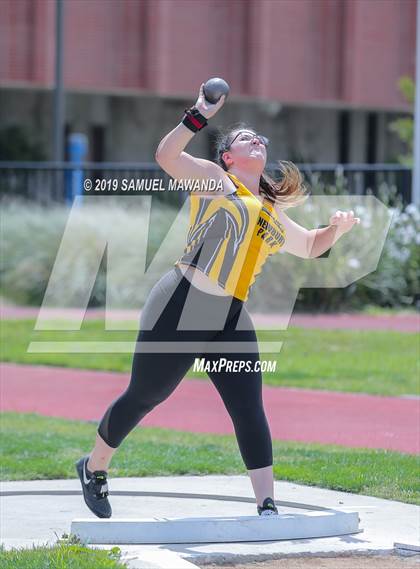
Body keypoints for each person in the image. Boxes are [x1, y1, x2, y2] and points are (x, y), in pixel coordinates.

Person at [76, 84, 360, 519]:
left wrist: (336, 229)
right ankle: (94, 467)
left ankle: (267, 505)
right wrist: (200, 112)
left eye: (261, 138)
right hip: (181, 301)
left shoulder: (270, 209)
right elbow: (167, 157)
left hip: (228, 316)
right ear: (228, 157)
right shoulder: (214, 179)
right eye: (248, 139)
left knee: (248, 407)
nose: (258, 141)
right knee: (146, 394)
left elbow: (309, 247)